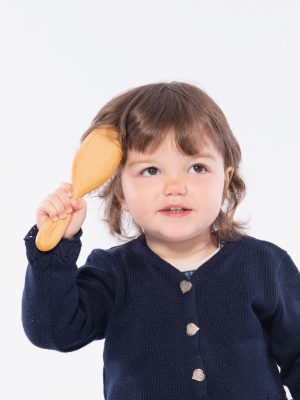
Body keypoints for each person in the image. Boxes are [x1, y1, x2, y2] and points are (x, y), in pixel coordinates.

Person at [22, 82, 300, 400]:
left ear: (225, 182)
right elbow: (52, 330)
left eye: (197, 168)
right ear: (121, 193)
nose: (175, 186)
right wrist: (55, 248)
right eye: (151, 170)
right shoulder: (112, 272)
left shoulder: (265, 265)